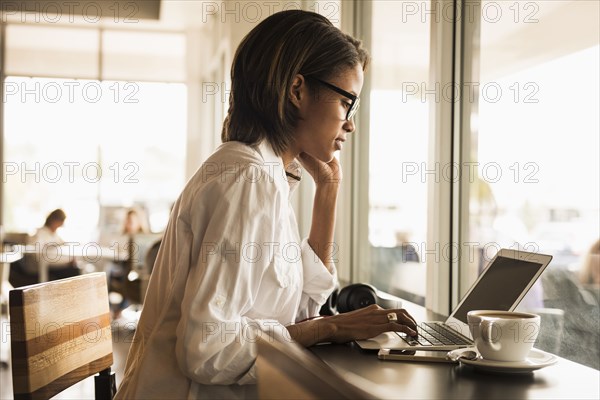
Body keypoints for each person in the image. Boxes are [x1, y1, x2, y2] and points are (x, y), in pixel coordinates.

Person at [115, 10, 417, 399]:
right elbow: (207, 349)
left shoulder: (265, 175)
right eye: (347, 103)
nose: (350, 124)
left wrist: (328, 192)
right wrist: (333, 328)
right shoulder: (247, 180)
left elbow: (302, 312)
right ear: (297, 90)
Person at [26, 208, 79, 280]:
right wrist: (66, 261)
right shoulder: (40, 233)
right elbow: (39, 255)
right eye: (60, 222)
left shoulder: (55, 235)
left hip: (53, 265)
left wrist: (70, 259)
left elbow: (64, 246)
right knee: (74, 272)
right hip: (42, 269)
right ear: (53, 220)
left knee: (77, 269)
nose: (61, 225)